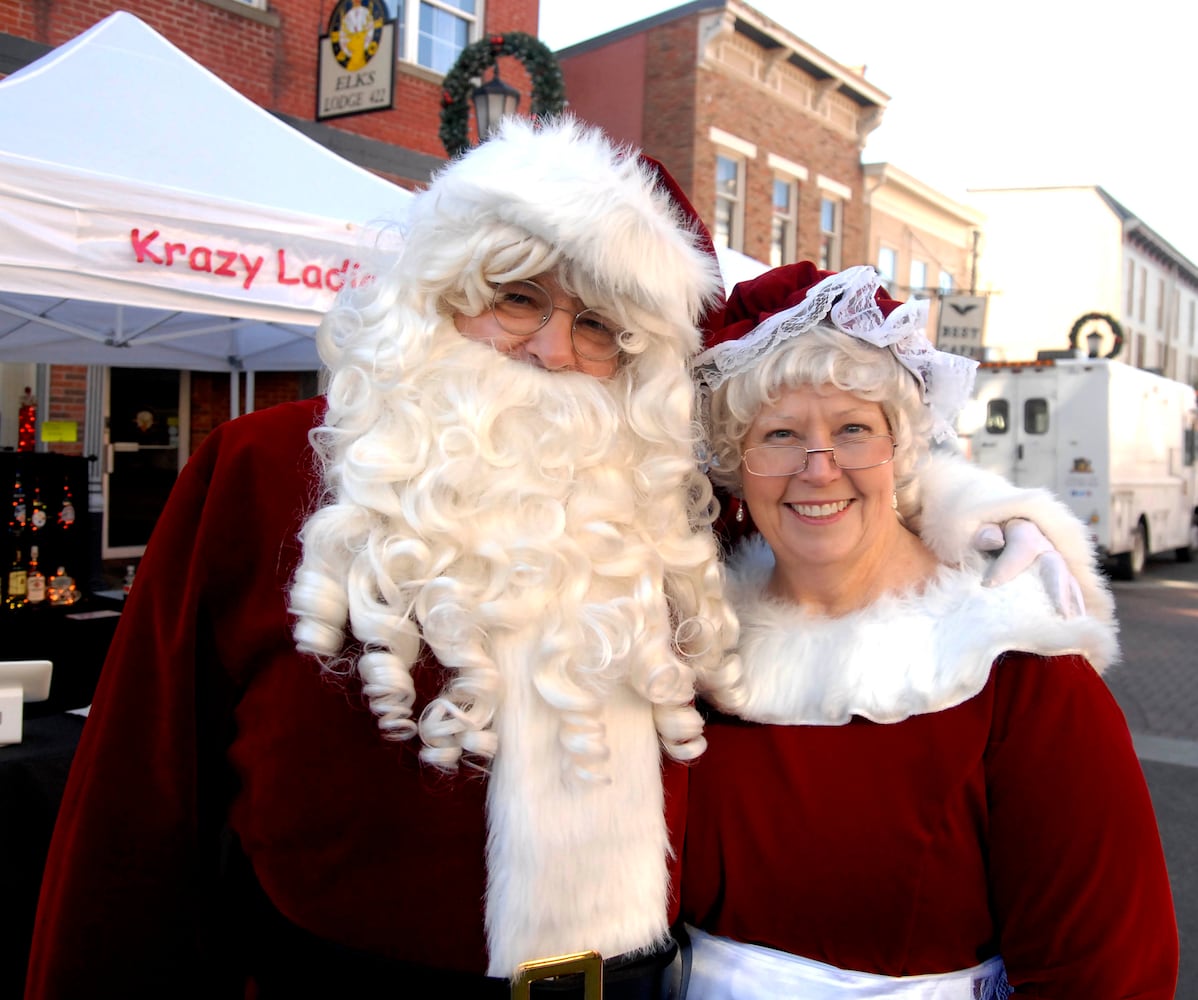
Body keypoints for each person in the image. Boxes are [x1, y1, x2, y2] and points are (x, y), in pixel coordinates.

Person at [25, 118, 1092, 997]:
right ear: (444, 288)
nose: (550, 351)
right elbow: (138, 801)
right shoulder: (266, 468)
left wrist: (971, 518)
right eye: (518, 296)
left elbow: (824, 484)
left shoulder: (661, 497)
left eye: (598, 325)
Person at [679, 261, 1179, 998]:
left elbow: (1109, 969)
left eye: (854, 430)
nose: (819, 469)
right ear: (736, 465)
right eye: (780, 434)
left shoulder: (1018, 669)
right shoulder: (692, 644)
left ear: (900, 449)